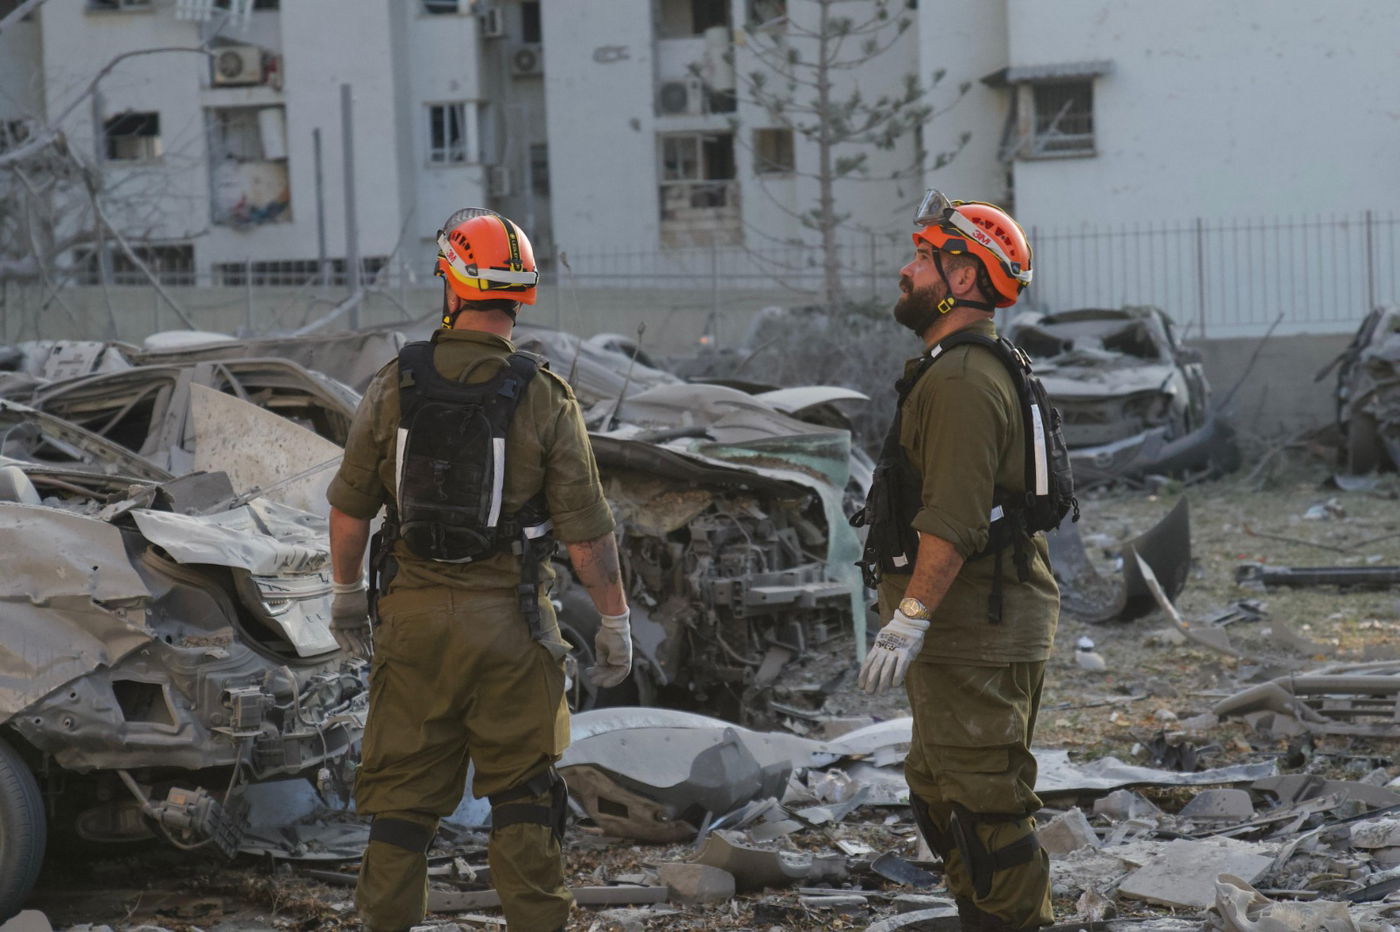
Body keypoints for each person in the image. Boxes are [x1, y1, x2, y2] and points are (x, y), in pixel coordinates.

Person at [325, 208, 631, 932]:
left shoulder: (392, 384)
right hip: (514, 631)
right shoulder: (546, 398)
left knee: (399, 809)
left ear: (452, 284)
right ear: (518, 297)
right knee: (525, 800)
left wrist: (344, 598)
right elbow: (588, 537)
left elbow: (348, 512)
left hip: (410, 629)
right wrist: (613, 621)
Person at [856, 191, 1060, 930]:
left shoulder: (965, 381)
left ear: (964, 279)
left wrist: (908, 617)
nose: (906, 271)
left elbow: (953, 519)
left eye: (923, 258)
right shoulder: (952, 368)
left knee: (986, 816)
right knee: (940, 792)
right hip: (964, 632)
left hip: (975, 629)